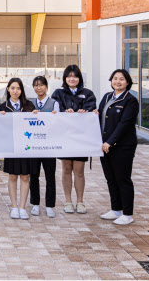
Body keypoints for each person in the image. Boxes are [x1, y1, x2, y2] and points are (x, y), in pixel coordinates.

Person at [51, 64, 96, 214]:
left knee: (79, 170)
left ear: (79, 78)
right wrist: (65, 112)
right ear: (65, 78)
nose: (72, 78)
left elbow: (92, 111)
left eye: (75, 76)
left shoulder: (88, 93)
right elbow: (55, 112)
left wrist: (85, 111)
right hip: (64, 137)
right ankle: (68, 201)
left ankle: (80, 202)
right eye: (69, 76)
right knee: (66, 169)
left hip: (80, 138)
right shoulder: (58, 93)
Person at [98, 69, 140, 226]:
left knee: (123, 179)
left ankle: (127, 214)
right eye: (115, 78)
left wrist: (110, 141)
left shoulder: (130, 101)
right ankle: (116, 209)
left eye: (121, 79)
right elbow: (99, 116)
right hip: (105, 146)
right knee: (111, 179)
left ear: (127, 82)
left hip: (122, 146)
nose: (118, 81)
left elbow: (124, 124)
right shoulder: (107, 97)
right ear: (111, 81)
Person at [0, 78, 36, 219]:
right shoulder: (2, 107)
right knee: (13, 176)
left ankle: (22, 207)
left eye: (18, 88)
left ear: (22, 90)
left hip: (26, 146)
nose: (15, 91)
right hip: (12, 145)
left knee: (25, 176)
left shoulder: (29, 106)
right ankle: (14, 206)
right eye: (13, 88)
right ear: (8, 89)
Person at [28, 76, 59, 219]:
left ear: (46, 86)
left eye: (41, 85)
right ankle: (35, 203)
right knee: (34, 175)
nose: (38, 88)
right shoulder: (30, 103)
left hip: (48, 146)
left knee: (50, 176)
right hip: (34, 146)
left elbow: (58, 123)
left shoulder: (54, 103)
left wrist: (53, 117)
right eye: (36, 85)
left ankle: (49, 205)